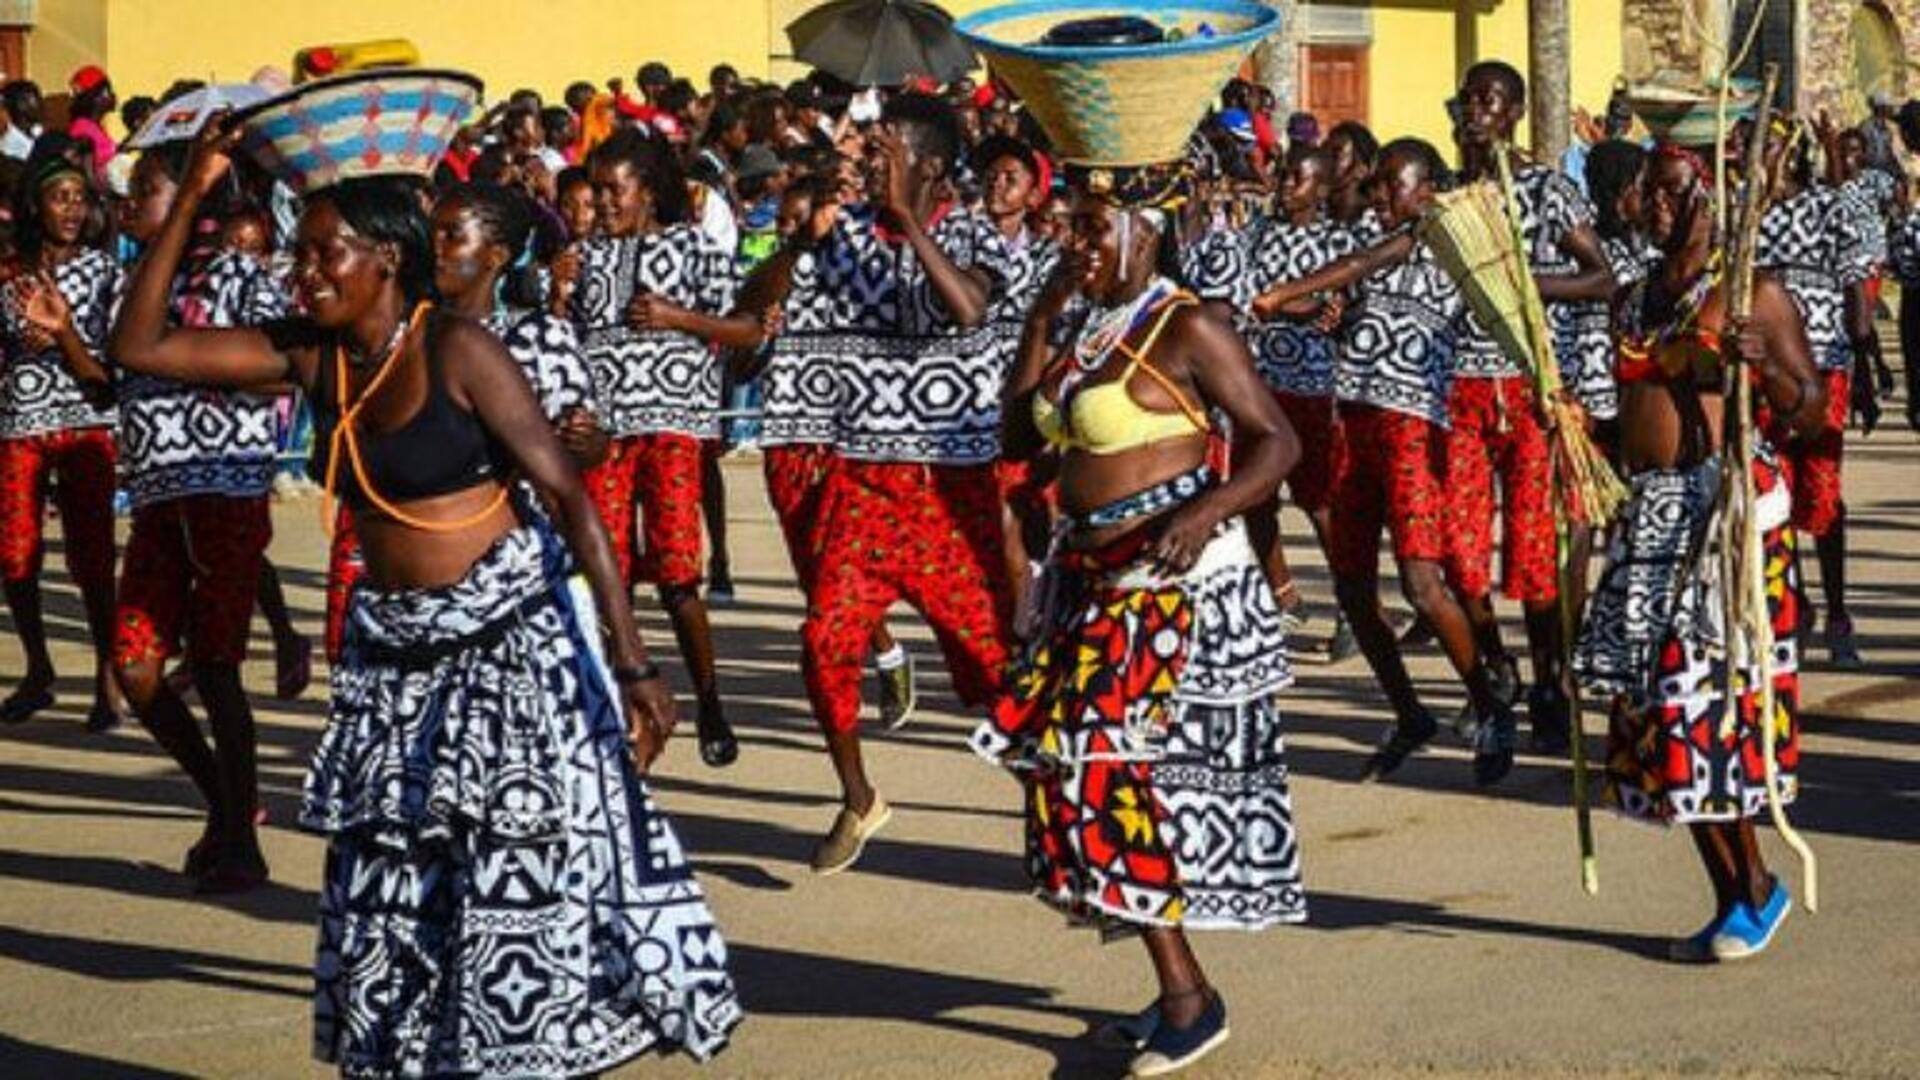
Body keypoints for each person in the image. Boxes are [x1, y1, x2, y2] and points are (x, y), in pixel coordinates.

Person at [110, 116, 740, 1075]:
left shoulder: (458, 350)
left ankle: (528, 1055)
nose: (305, 275)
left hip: (506, 647)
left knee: (517, 882)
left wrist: (635, 661)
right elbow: (142, 346)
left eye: (328, 256)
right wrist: (193, 195)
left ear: (387, 260)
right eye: (300, 255)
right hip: (391, 660)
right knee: (393, 893)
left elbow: (572, 501)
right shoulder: (309, 354)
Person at [982, 157, 1304, 1077]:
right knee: (1071, 777)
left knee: (1102, 773)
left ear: (1142, 232)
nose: (1073, 243)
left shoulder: (1188, 324)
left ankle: (1189, 1001)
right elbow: (1016, 440)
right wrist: (1043, 316)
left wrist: (1204, 512)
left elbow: (1279, 441)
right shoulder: (1088, 328)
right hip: (1089, 584)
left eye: (1090, 229)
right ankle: (1178, 992)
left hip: (1168, 589)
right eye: (1071, 229)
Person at [1576, 142, 1825, 961]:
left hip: (1724, 514)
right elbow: (1630, 409)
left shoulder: (1749, 289)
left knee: (1700, 706)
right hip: (1650, 514)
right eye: (1646, 189)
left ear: (1709, 196)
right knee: (1653, 713)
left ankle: (1754, 885)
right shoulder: (1639, 293)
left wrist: (1767, 372)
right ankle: (1736, 896)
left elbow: (1810, 409)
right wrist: (1582, 435)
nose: (1650, 202)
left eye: (1668, 189)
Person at [760, 95, 1016, 873]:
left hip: (951, 485)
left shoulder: (975, 231)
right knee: (823, 642)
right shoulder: (843, 242)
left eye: (883, 153)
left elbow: (968, 309)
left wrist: (908, 219)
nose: (866, 164)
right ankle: (860, 798)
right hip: (864, 482)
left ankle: (1058, 805)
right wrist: (798, 245)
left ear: (929, 167)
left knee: (997, 673)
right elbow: (755, 311)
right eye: (866, 154)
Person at [54, 139, 294, 889]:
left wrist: (201, 368)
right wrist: (62, 331)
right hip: (158, 495)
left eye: (147, 193)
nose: (129, 207)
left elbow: (282, 377)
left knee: (217, 668)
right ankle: (223, 806)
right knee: (136, 667)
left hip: (224, 489)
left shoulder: (246, 277)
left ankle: (239, 831)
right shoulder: (132, 282)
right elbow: (109, 387)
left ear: (194, 196)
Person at [1258, 139, 1513, 781]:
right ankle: (1410, 713)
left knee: (1424, 586)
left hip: (1412, 430)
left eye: (1389, 187)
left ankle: (1490, 704)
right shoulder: (1374, 256)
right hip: (1356, 423)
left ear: (1425, 189)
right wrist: (1316, 310)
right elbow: (1344, 302)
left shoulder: (1447, 245)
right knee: (1350, 585)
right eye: (1375, 189)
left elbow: (1373, 256)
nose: (1377, 198)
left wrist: (1291, 288)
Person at [555, 129, 760, 767]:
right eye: (598, 190)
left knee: (676, 571)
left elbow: (746, 329)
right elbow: (560, 346)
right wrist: (559, 294)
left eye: (616, 190)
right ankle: (629, 697)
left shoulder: (693, 247)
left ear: (647, 191)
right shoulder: (579, 257)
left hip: (672, 428)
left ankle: (711, 698)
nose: (605, 202)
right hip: (605, 438)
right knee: (604, 569)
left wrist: (679, 318)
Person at [1448, 60, 1617, 782]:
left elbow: (1601, 276)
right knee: (1458, 553)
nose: (1477, 112)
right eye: (1469, 100)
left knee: (1536, 555)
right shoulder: (1448, 197)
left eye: (1491, 101)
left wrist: (1522, 284)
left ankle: (1552, 678)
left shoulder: (1548, 189)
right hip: (1453, 388)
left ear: (1515, 111)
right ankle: (1495, 668)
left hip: (1529, 386)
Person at [0, 148, 123, 732]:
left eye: (81, 197)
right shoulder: (8, 270)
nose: (72, 209)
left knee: (93, 558)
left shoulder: (103, 273)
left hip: (85, 423)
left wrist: (62, 332)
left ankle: (107, 674)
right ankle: (39, 669)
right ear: (34, 204)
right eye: (60, 196)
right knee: (15, 553)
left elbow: (103, 378)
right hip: (19, 421)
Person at [1754, 122, 1880, 667]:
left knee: (1822, 497)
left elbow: (1857, 291)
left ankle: (1837, 611)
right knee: (1773, 492)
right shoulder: (1747, 218)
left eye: (1769, 148)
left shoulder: (1834, 209)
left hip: (1823, 369)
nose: (1758, 159)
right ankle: (1795, 604)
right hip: (1764, 375)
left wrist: (1863, 369)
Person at [64, 66, 118, 185]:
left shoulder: (94, 127)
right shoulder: (82, 129)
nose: (112, 95)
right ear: (95, 96)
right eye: (107, 90)